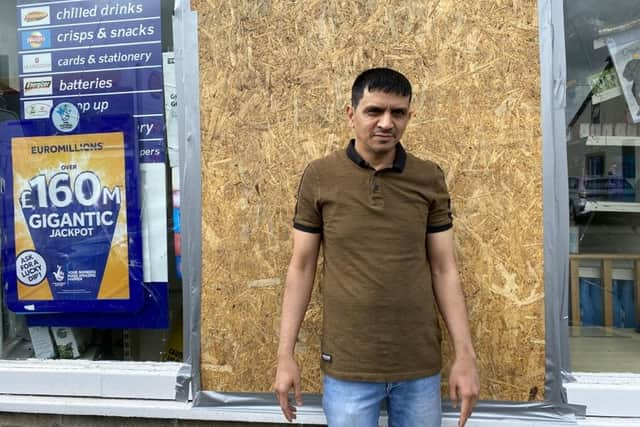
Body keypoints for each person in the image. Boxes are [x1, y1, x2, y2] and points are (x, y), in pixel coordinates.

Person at [274, 67, 479, 427]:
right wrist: (284, 355)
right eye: (374, 111)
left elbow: (444, 268)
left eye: (398, 113)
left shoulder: (428, 177)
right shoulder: (320, 176)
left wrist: (465, 356)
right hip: (348, 367)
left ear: (409, 116)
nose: (386, 123)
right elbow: (301, 267)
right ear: (350, 114)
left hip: (418, 365)